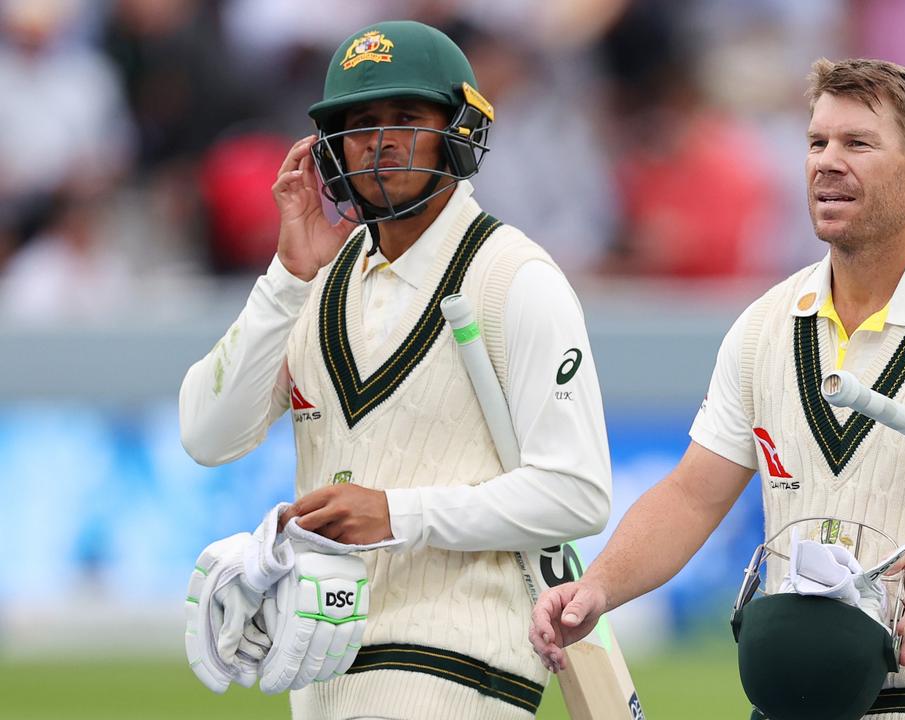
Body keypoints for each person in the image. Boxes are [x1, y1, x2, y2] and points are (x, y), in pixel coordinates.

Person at [530, 58, 905, 719]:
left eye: (857, 144)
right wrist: (597, 589)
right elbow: (692, 495)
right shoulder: (764, 325)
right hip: (793, 695)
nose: (826, 162)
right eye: (816, 142)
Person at [179, 21, 611, 720]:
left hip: (456, 663)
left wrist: (396, 513)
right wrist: (287, 277)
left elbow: (576, 494)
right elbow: (207, 433)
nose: (379, 141)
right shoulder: (316, 280)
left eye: (407, 118)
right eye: (359, 123)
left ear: (459, 129)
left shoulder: (515, 277)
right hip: (318, 661)